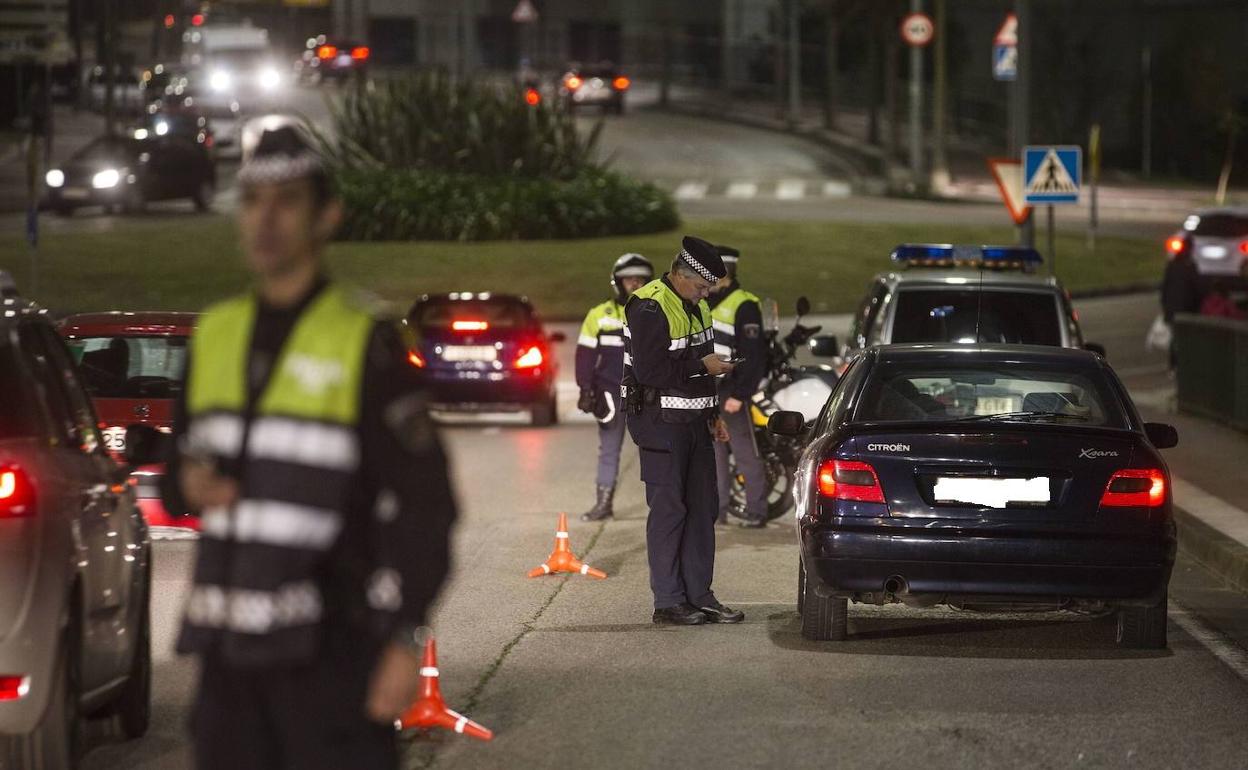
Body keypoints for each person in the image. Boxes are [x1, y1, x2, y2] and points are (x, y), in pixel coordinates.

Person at [161, 122, 457, 770]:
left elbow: (429, 507)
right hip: (227, 667)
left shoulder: (366, 344)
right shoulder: (213, 335)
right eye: (253, 201)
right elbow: (173, 475)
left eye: (287, 201)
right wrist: (187, 483)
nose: (266, 219)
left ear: (327, 216)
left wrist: (405, 639)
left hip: (332, 660)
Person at [621, 235, 745, 626]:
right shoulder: (649, 305)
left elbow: (702, 363)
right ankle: (669, 600)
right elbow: (651, 372)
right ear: (681, 274)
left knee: (703, 510)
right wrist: (702, 368)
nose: (705, 294)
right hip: (659, 426)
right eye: (702, 286)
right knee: (670, 511)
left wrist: (713, 414)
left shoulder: (698, 307)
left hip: (695, 424)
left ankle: (700, 596)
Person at [576, 253, 655, 521]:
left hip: (646, 394)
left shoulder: (655, 312)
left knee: (655, 450)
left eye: (640, 279)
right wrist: (585, 389)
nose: (634, 283)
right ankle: (603, 504)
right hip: (610, 394)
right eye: (629, 279)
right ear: (617, 282)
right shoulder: (599, 315)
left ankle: (660, 505)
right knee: (609, 449)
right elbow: (584, 355)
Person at [706, 245, 769, 528]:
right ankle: (717, 511)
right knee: (713, 455)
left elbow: (753, 355)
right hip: (708, 390)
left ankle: (757, 511)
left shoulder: (744, 304)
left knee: (744, 452)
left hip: (731, 391)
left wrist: (741, 394)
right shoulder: (705, 299)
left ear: (726, 272)